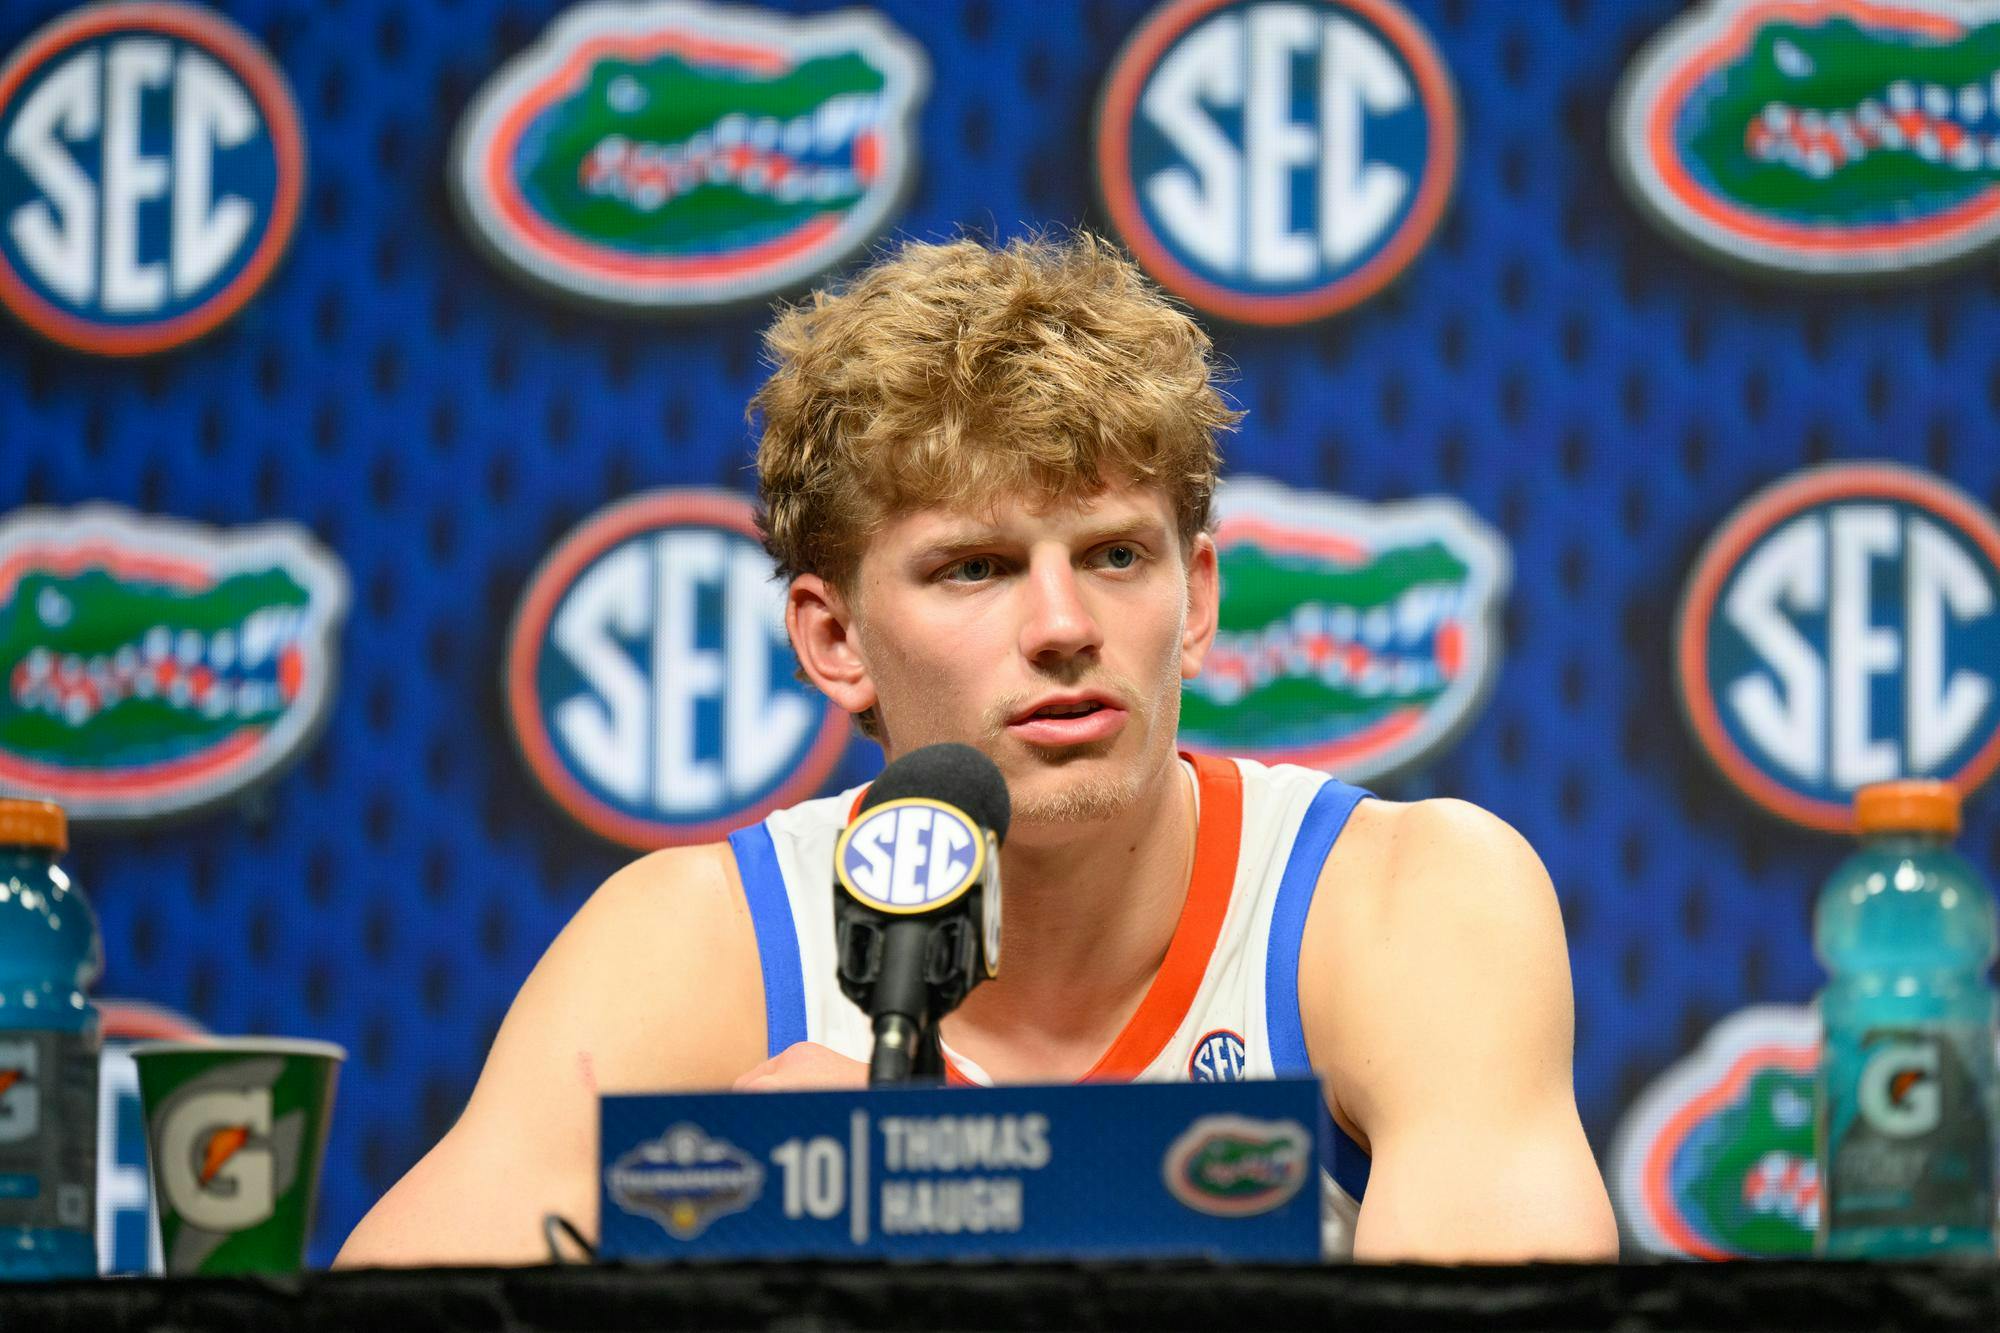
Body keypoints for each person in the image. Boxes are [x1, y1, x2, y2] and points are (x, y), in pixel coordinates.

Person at [336, 232, 1618, 1267]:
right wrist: (711, 1265)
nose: (1063, 627)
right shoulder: (699, 946)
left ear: (1201, 598)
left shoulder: (1406, 905)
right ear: (833, 638)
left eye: (1116, 554)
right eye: (975, 569)